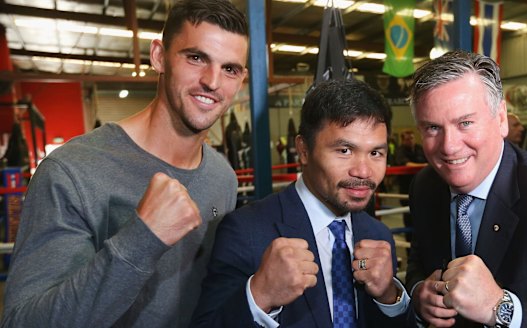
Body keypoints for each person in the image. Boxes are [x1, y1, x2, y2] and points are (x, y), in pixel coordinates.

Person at [1, 1, 248, 327]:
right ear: (159, 56)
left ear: (241, 79)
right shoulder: (72, 172)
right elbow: (24, 322)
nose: (212, 81)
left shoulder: (223, 177)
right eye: (196, 57)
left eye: (229, 68)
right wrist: (142, 239)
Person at [191, 79, 409, 328]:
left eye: (375, 153)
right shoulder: (246, 231)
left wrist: (390, 297)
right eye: (344, 151)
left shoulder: (378, 235)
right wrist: (259, 296)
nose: (363, 171)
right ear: (303, 151)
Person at [405, 50, 527, 327]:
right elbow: (420, 257)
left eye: (465, 123)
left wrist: (500, 307)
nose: (449, 146)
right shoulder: (425, 185)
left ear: (500, 118)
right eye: (432, 128)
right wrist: (420, 293)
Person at [393, 129, 427, 243]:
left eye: (411, 138)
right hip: (406, 190)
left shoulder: (419, 148)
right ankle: (410, 250)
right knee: (409, 219)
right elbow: (406, 164)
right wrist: (425, 165)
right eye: (407, 139)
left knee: (424, 219)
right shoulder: (400, 151)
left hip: (422, 189)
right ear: (403, 140)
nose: (410, 141)